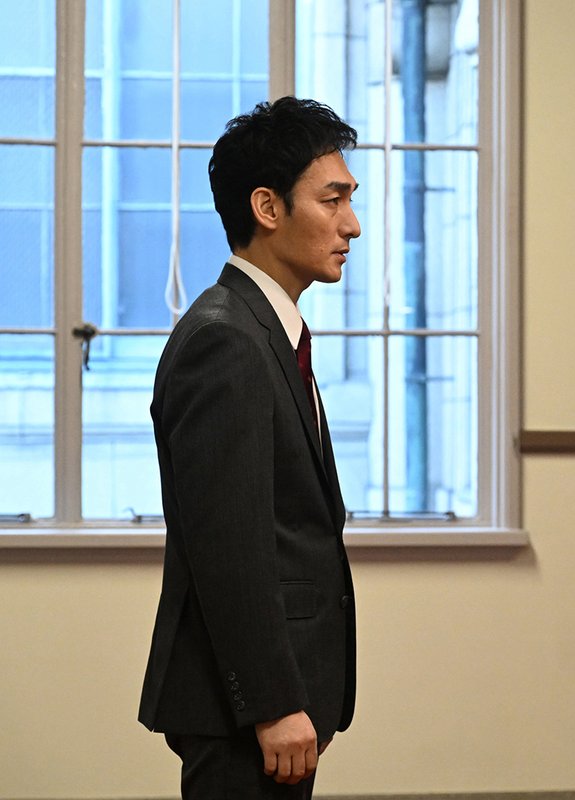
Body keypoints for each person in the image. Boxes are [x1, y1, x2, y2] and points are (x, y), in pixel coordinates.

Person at [138, 96, 361, 798]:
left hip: (275, 699)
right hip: (247, 711)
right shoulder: (226, 339)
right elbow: (228, 545)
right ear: (267, 207)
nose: (351, 224)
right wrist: (273, 703)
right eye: (332, 200)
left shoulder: (263, 328)